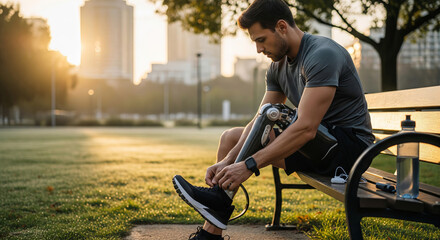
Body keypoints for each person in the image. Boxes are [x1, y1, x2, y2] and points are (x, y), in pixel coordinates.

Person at [172, 0, 375, 239]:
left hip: (350, 150)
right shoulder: (277, 67)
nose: (259, 49)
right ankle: (211, 233)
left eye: (261, 40)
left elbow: (306, 128)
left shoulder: (322, 55)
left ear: (281, 27)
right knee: (231, 137)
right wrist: (227, 162)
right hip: (318, 146)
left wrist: (247, 166)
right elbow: (259, 119)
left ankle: (218, 201)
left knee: (273, 119)